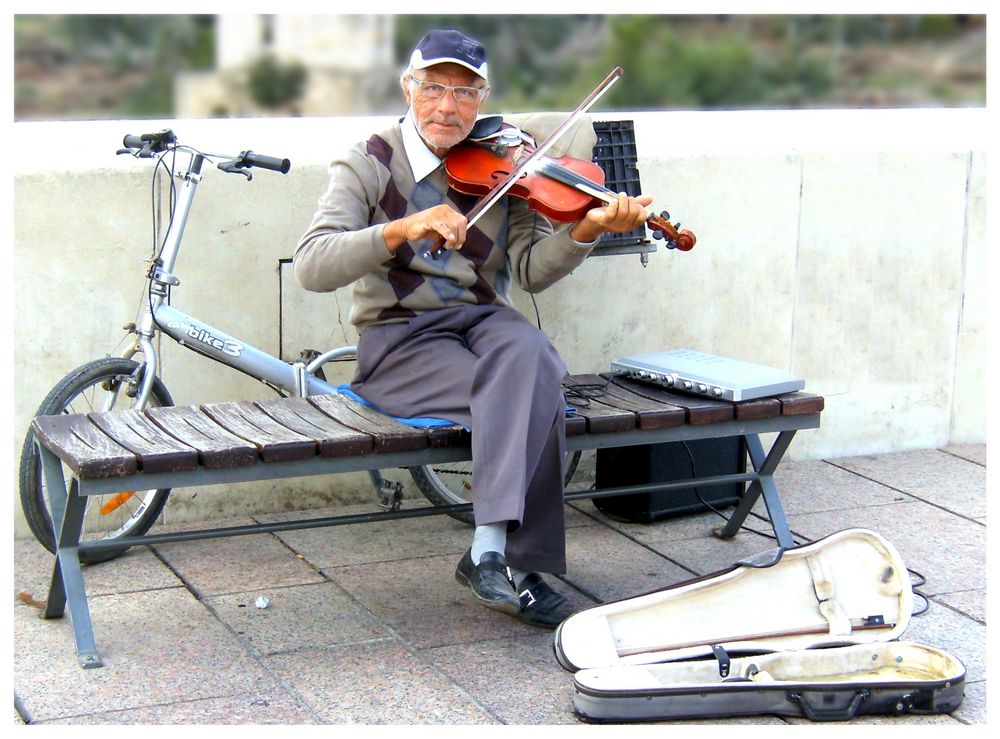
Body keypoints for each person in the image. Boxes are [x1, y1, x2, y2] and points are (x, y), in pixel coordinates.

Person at [294, 29, 651, 628]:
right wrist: (398, 231)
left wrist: (586, 231)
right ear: (409, 88)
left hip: (483, 322)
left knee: (528, 350)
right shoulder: (369, 161)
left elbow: (531, 273)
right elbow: (312, 264)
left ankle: (489, 552)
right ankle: (520, 564)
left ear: (482, 99)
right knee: (533, 384)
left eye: (464, 92)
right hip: (401, 337)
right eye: (433, 87)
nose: (447, 106)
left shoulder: (504, 168)